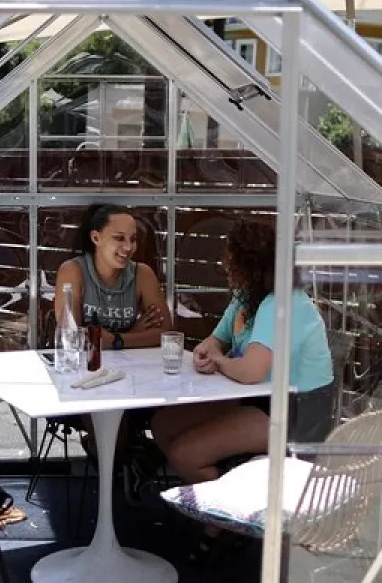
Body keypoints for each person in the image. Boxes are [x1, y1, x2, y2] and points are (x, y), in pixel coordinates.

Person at [150, 218, 336, 487]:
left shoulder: (282, 302)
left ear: (249, 265)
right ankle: (225, 489)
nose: (224, 264)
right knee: (163, 425)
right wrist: (209, 351)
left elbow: (251, 371)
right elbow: (215, 340)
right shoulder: (246, 297)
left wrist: (219, 361)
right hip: (255, 398)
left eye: (230, 257)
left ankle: (220, 520)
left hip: (291, 415)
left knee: (184, 455)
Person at [54, 203, 169, 348]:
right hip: (85, 366)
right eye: (119, 238)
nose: (128, 247)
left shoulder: (143, 274)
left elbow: (165, 334)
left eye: (133, 239)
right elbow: (71, 337)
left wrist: (116, 340)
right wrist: (134, 334)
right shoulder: (72, 271)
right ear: (96, 238)